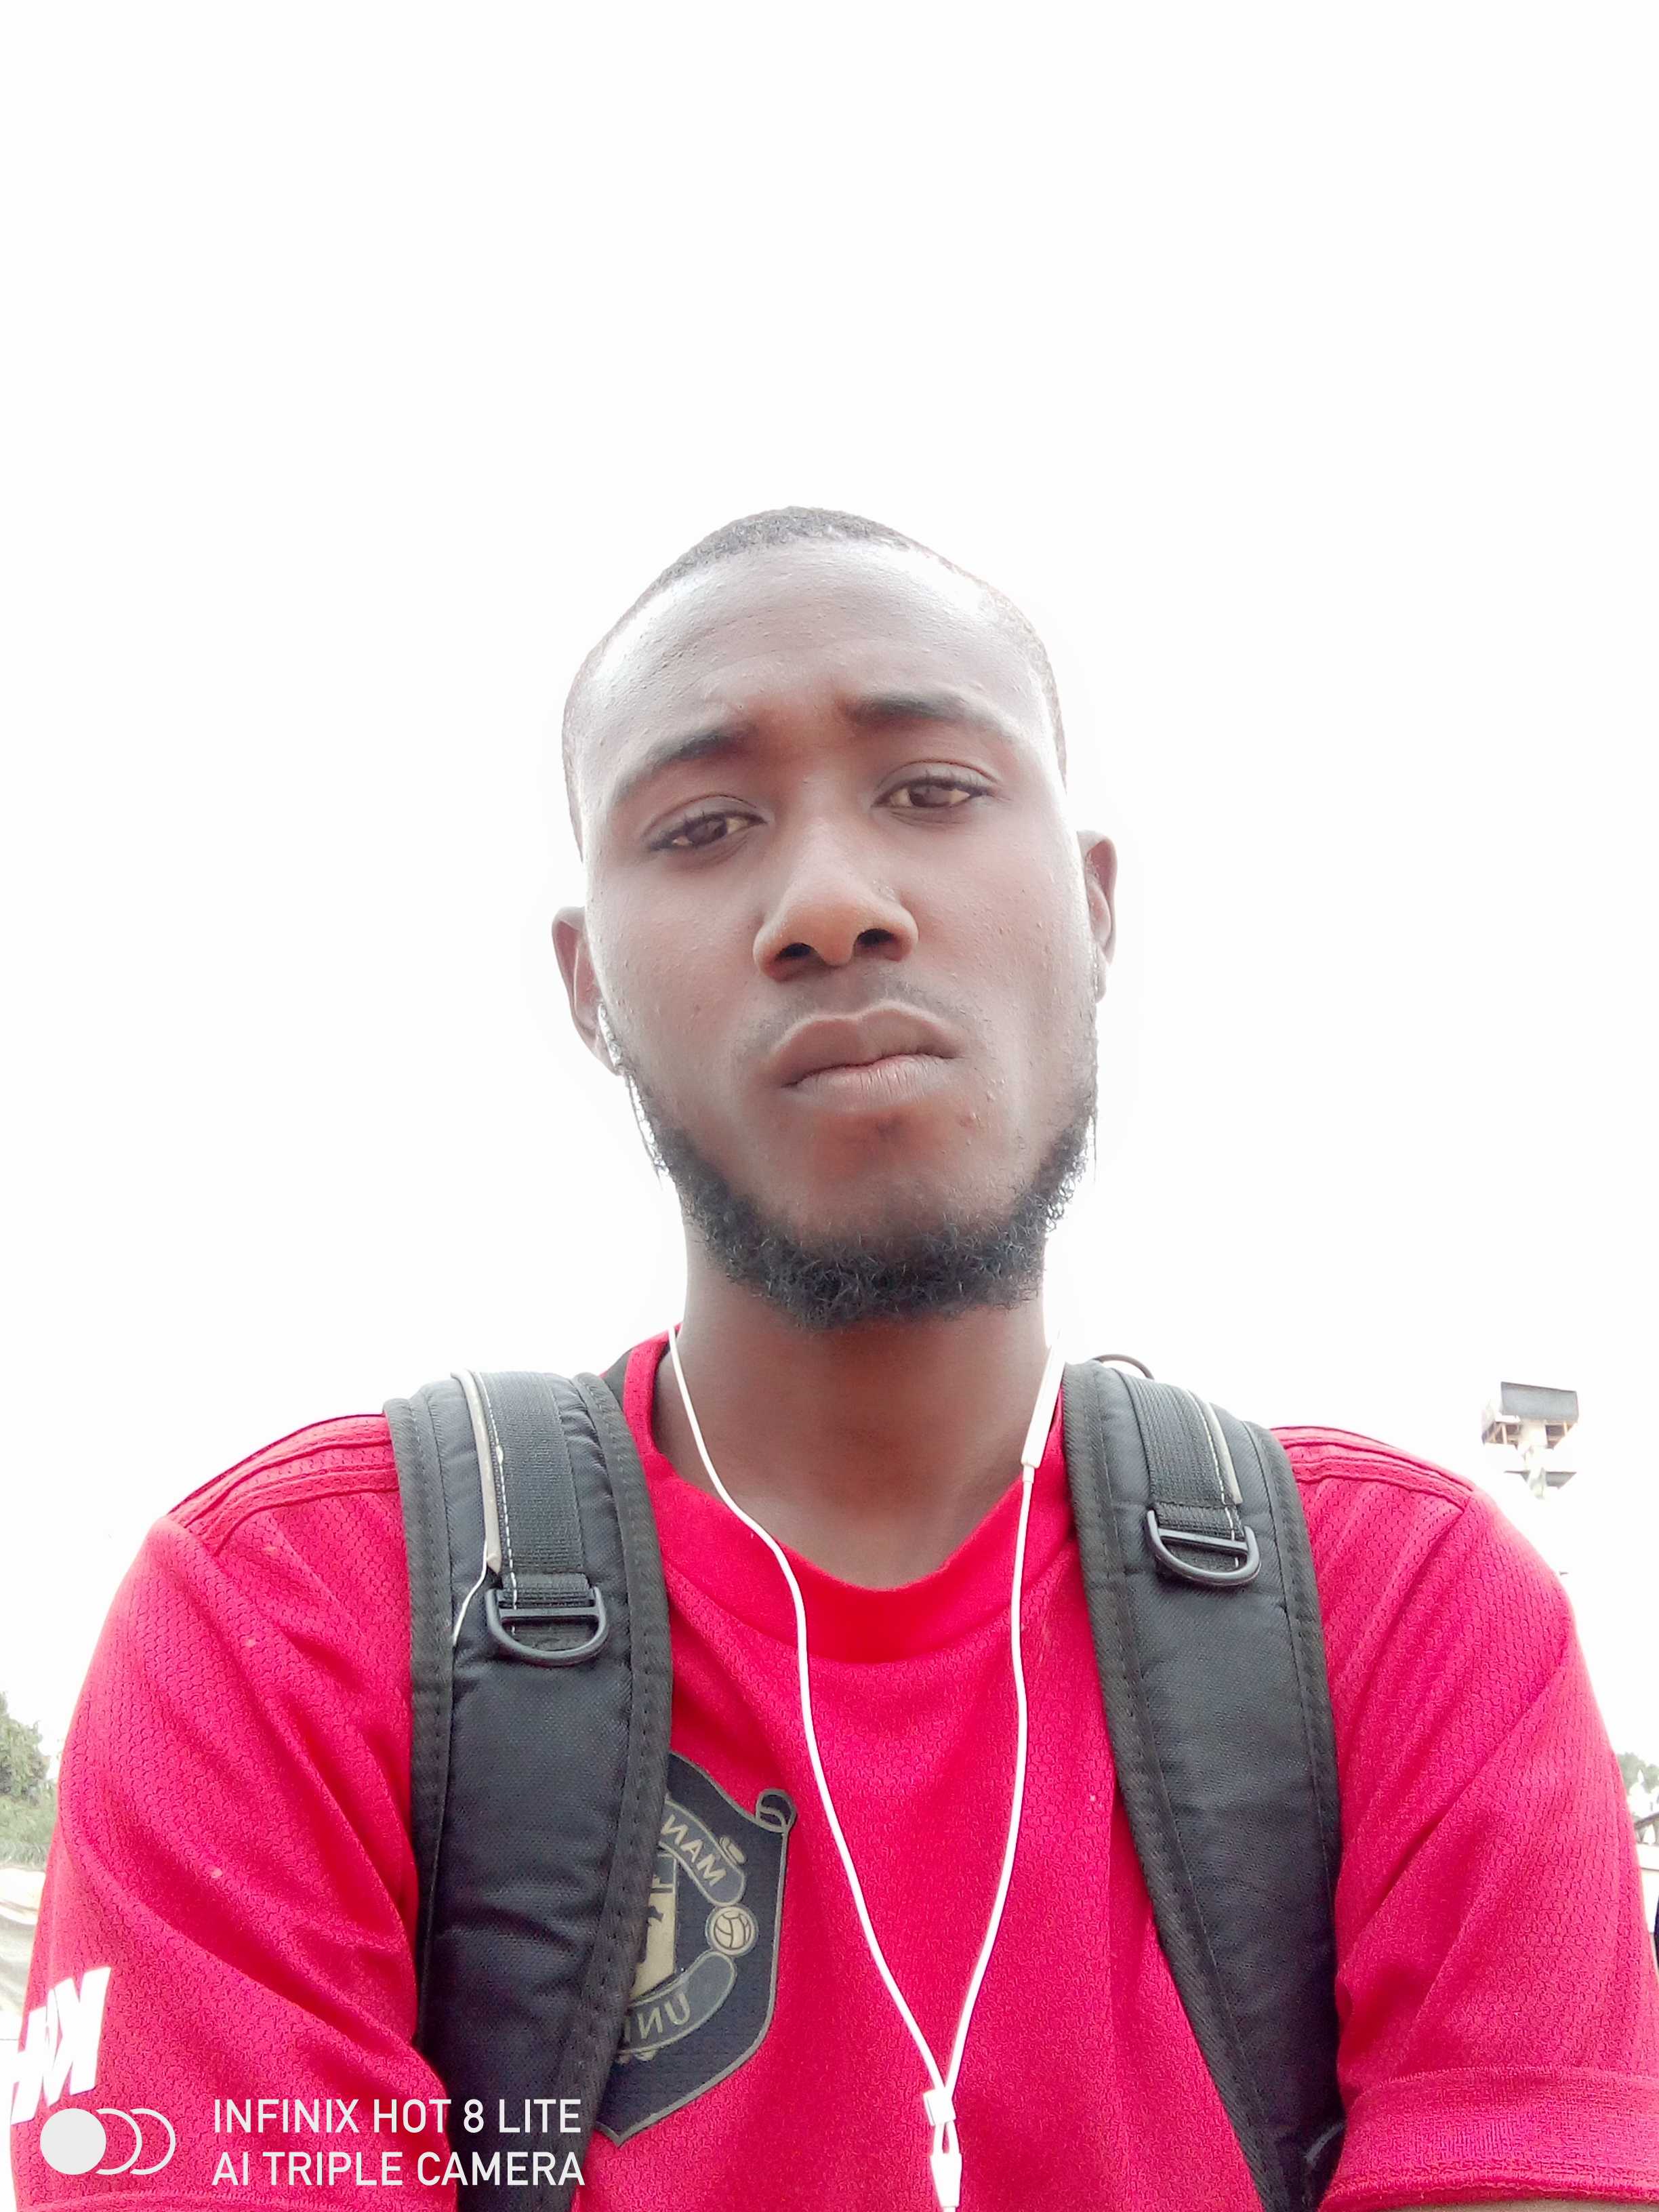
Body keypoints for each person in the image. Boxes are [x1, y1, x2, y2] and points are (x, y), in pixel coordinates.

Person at [12, 507, 1659, 2212]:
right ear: (588, 989)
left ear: (1096, 907)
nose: (832, 903)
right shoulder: (292, 1625)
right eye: (704, 826)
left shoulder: (1413, 1622)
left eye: (932, 791)